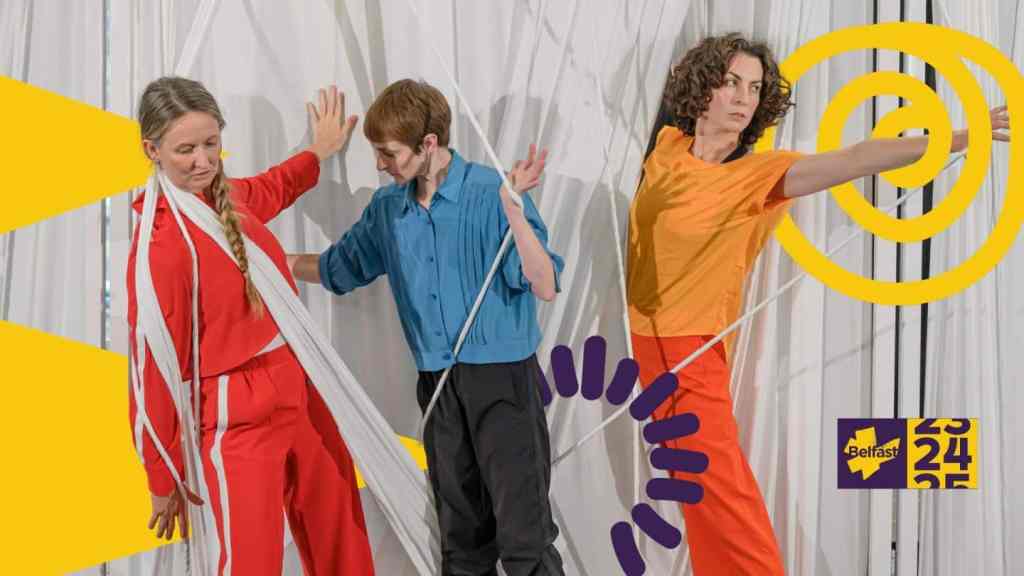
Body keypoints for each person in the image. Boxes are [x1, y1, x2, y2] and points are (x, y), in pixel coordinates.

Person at [626, 33, 1009, 575]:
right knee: (695, 491)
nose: (742, 98)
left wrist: (958, 135)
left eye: (755, 89)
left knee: (720, 489)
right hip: (644, 344)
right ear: (701, 85)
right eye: (731, 82)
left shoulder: (754, 176)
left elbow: (857, 157)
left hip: (693, 353)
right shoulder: (666, 145)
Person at [288, 78, 566, 576]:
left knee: (524, 539)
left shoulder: (491, 193)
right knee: (461, 542)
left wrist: (515, 213)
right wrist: (268, 260)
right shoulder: (389, 210)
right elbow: (338, 269)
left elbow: (544, 283)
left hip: (503, 382)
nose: (379, 164)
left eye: (387, 153)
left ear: (429, 144)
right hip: (438, 387)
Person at [127, 77, 374, 575]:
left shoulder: (226, 199)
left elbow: (272, 187)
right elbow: (151, 368)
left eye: (211, 144)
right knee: (252, 564)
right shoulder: (162, 248)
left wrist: (318, 152)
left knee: (343, 541)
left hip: (299, 391)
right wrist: (162, 475)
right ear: (151, 150)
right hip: (234, 422)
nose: (202, 161)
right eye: (185, 150)